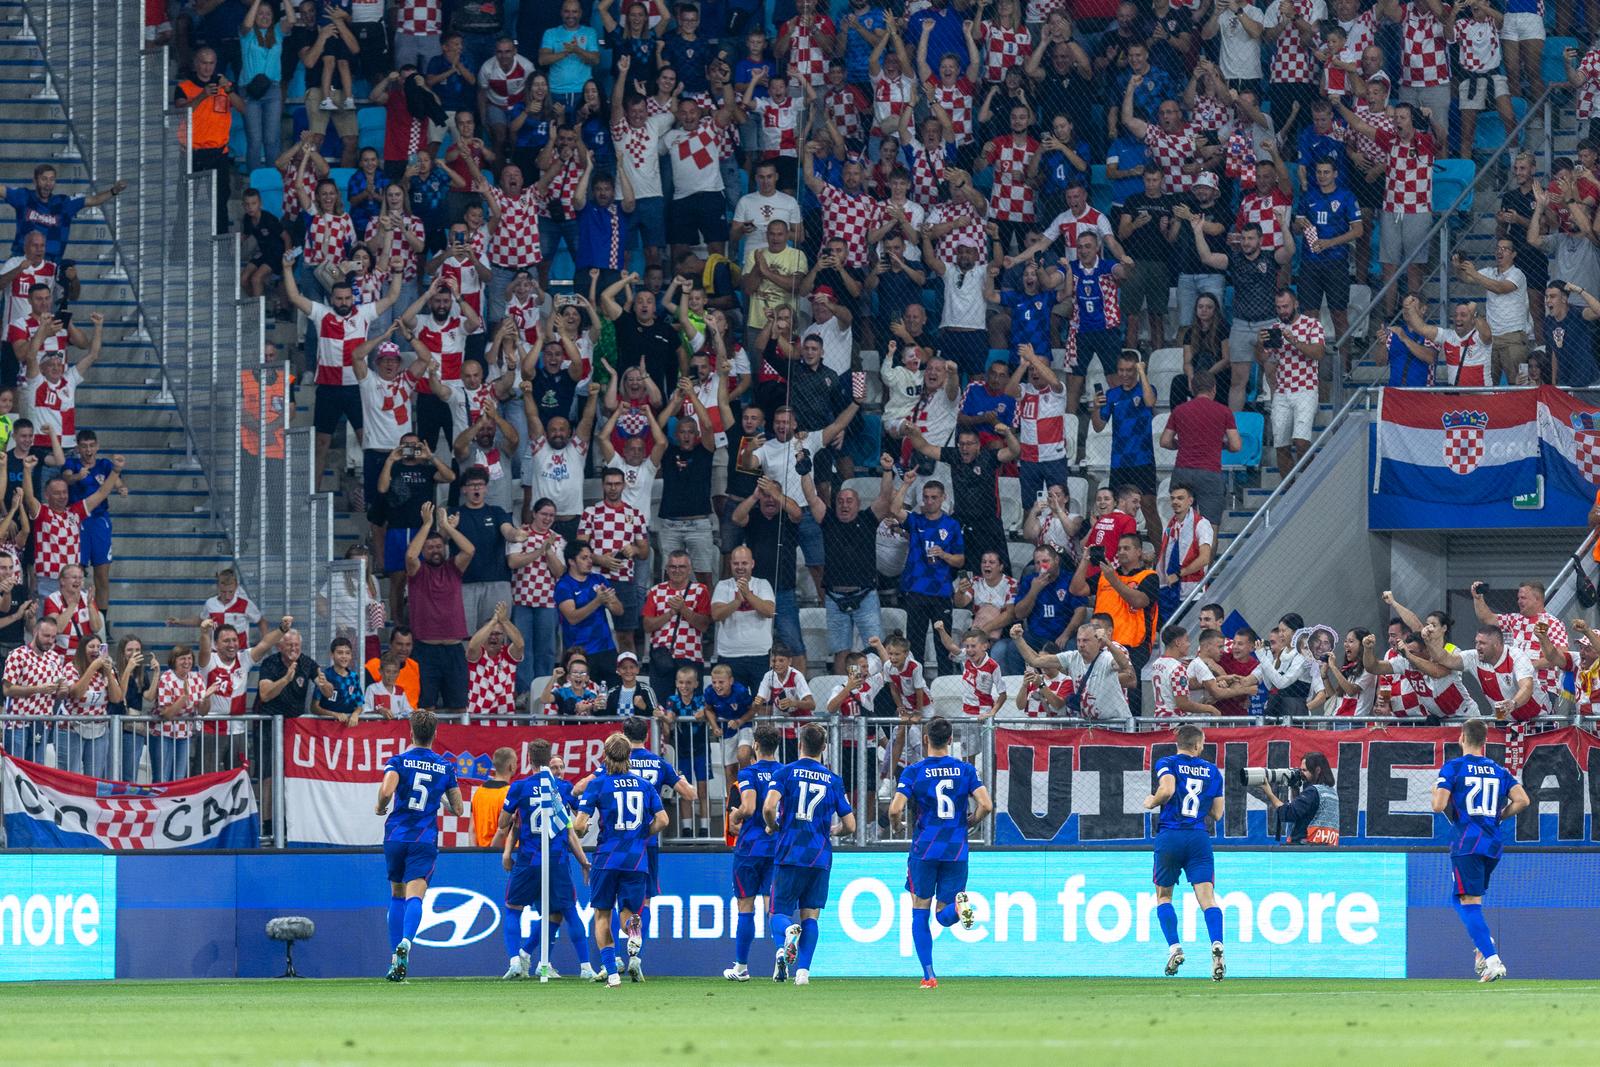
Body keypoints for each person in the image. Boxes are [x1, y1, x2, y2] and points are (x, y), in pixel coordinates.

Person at [888, 715, 993, 988]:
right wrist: (973, 821)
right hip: (956, 848)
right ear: (950, 740)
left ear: (926, 740)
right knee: (943, 915)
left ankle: (929, 975)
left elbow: (895, 809)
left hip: (924, 849)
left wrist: (897, 826)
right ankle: (959, 908)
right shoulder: (965, 770)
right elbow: (987, 805)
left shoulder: (914, 771)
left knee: (920, 910)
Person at [1432, 717, 1530, 983]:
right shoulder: (1499, 770)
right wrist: (1500, 815)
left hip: (1467, 842)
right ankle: (1482, 944)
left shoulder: (1453, 767)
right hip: (1492, 844)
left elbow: (1439, 806)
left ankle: (1492, 958)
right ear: (1485, 742)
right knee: (1462, 898)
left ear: (1461, 738)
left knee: (1469, 903)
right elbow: (1522, 800)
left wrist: (1436, 791)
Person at [763, 721, 856, 986]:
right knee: (811, 915)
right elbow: (851, 825)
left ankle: (786, 936)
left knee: (778, 913)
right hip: (819, 856)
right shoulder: (833, 780)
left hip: (790, 851)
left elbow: (769, 807)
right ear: (824, 748)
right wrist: (833, 831)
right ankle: (803, 972)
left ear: (799, 744)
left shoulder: (785, 773)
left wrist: (774, 826)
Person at [493, 738, 594, 981]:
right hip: (557, 859)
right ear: (549, 760)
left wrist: (508, 850)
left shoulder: (519, 787)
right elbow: (574, 829)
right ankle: (586, 967)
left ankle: (517, 960)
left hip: (529, 859)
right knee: (568, 911)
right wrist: (583, 861)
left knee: (514, 909)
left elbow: (505, 824)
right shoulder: (561, 788)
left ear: (529, 760)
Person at [573, 731, 669, 988]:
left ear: (605, 755)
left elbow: (580, 826)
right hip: (636, 859)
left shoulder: (598, 784)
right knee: (628, 915)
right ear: (629, 756)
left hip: (606, 858)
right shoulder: (644, 785)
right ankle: (634, 932)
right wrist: (640, 834)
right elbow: (663, 820)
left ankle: (612, 975)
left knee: (602, 915)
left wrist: (580, 826)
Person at [376, 709, 464, 982]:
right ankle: (407, 943)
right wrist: (439, 800)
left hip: (396, 836)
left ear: (411, 733)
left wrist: (380, 806)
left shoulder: (399, 761)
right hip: (423, 838)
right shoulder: (445, 766)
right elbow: (459, 809)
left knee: (396, 894)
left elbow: (387, 791)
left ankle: (394, 959)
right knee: (416, 895)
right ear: (435, 735)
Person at [1144, 722, 1227, 980]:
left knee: (1164, 897)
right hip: (1198, 838)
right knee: (1208, 900)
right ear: (1198, 745)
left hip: (1170, 835)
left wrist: (1152, 800)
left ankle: (1175, 947)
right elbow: (1217, 813)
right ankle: (1217, 946)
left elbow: (1167, 790)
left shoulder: (1167, 762)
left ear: (1179, 744)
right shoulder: (1213, 771)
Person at [721, 722, 783, 982]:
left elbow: (748, 807)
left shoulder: (748, 774)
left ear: (755, 746)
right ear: (777, 747)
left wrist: (735, 815)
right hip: (777, 847)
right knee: (775, 909)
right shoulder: (786, 772)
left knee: (746, 908)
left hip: (749, 849)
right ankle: (781, 951)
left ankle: (742, 967)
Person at [404, 502, 475, 714]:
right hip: (425, 650)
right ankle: (426, 745)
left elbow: (470, 550)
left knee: (459, 706)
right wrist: (427, 524)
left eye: (438, 546)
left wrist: (446, 527)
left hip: (454, 649)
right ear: (423, 550)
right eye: (430, 547)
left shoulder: (453, 568)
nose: (435, 550)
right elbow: (410, 556)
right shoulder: (417, 572)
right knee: (425, 706)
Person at [889, 480, 964, 676]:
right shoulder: (916, 520)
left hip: (941, 591)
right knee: (915, 644)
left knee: (943, 644)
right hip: (916, 590)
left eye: (934, 497)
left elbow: (960, 560)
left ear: (943, 498)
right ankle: (916, 690)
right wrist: (905, 484)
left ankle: (945, 687)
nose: (929, 501)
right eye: (926, 497)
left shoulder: (952, 525)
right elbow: (894, 508)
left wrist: (944, 555)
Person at [1259, 287, 1327, 478]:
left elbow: (1319, 353)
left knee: (1301, 442)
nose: (1282, 311)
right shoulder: (1275, 329)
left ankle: (1312, 480)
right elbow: (1264, 359)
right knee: (1281, 445)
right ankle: (1289, 492)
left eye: (1286, 306)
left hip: (1306, 389)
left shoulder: (1311, 324)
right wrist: (1260, 344)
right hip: (1282, 391)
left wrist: (1295, 341)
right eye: (1279, 307)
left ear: (1296, 304)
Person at [1011, 621, 1137, 724]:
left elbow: (1126, 668)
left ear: (1099, 641)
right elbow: (1035, 660)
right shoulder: (1072, 658)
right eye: (1078, 640)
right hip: (1090, 725)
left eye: (1086, 640)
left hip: (1115, 725)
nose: (1081, 644)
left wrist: (1108, 643)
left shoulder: (1107, 658)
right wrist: (1018, 639)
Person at [1093, 352, 1160, 539]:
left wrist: (1142, 373)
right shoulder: (1112, 394)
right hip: (1119, 460)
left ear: (1137, 370)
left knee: (1148, 507)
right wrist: (1096, 407)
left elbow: (1150, 401)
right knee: (1117, 511)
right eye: (1121, 370)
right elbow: (1098, 427)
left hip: (1143, 458)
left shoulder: (1147, 388)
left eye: (1130, 370)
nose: (1125, 374)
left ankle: (1159, 556)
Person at [1259, 750, 1341, 844]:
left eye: (1304, 770)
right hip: (1326, 847)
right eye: (1300, 770)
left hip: (1306, 849)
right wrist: (1295, 789)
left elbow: (1288, 814)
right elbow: (1301, 813)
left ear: (1317, 770)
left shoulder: (1313, 792)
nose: (1301, 774)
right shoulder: (1331, 792)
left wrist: (1269, 793)